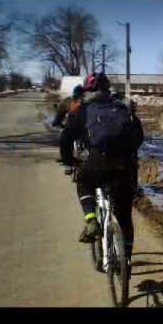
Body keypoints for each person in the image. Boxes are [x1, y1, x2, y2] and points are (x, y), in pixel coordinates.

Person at [60, 73, 144, 265]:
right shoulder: (123, 107)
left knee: (83, 182)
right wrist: (127, 155)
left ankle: (91, 220)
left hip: (97, 162)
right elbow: (139, 137)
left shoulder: (82, 110)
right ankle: (127, 261)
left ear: (87, 91)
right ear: (108, 89)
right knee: (124, 215)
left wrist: (68, 160)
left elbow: (65, 138)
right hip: (125, 166)